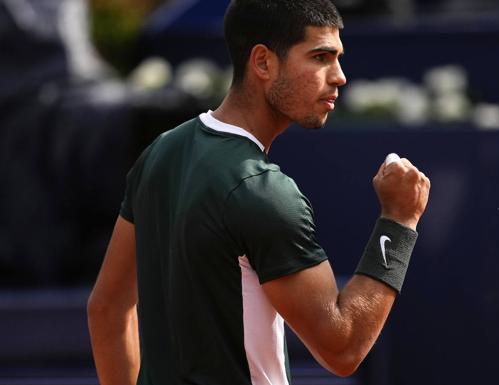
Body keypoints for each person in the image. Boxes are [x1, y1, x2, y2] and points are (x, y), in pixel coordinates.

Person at [87, 1, 431, 384]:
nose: (339, 77)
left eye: (337, 58)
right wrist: (399, 221)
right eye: (320, 57)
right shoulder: (261, 192)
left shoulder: (160, 153)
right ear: (263, 63)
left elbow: (107, 309)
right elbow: (343, 346)